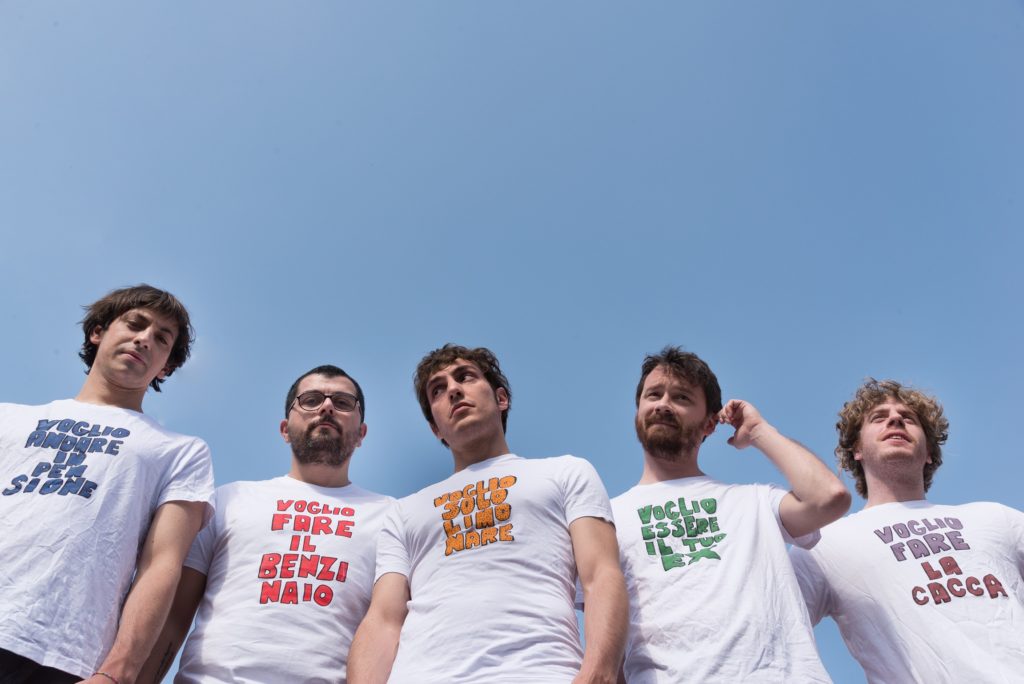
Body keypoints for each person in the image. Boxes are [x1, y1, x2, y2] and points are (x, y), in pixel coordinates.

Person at [348, 344, 627, 684]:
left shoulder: (566, 472)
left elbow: (601, 575)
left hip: (539, 672)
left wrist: (599, 673)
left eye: (465, 377)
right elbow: (383, 619)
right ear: (435, 428)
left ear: (501, 398)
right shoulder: (404, 512)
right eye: (438, 390)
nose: (453, 390)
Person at [0, 284, 215, 684]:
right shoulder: (8, 419)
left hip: (64, 656)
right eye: (135, 324)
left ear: (166, 367)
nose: (144, 339)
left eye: (162, 339)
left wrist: (118, 673)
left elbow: (161, 564)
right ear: (98, 332)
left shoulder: (180, 451)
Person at [140, 364, 394, 683]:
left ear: (362, 434)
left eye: (343, 403)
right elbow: (173, 618)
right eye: (311, 400)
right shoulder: (227, 500)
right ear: (285, 429)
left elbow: (391, 626)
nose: (327, 407)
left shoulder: (391, 517)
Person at [612, 346, 849, 682]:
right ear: (638, 410)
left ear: (710, 423)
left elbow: (829, 497)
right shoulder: (606, 519)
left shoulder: (755, 502)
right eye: (653, 395)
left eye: (681, 397)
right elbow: (610, 644)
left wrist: (758, 431)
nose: (663, 404)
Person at [789, 379, 1024, 682]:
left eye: (908, 418)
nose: (895, 419)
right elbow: (770, 628)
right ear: (857, 450)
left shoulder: (995, 518)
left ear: (929, 453)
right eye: (879, 417)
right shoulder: (824, 543)